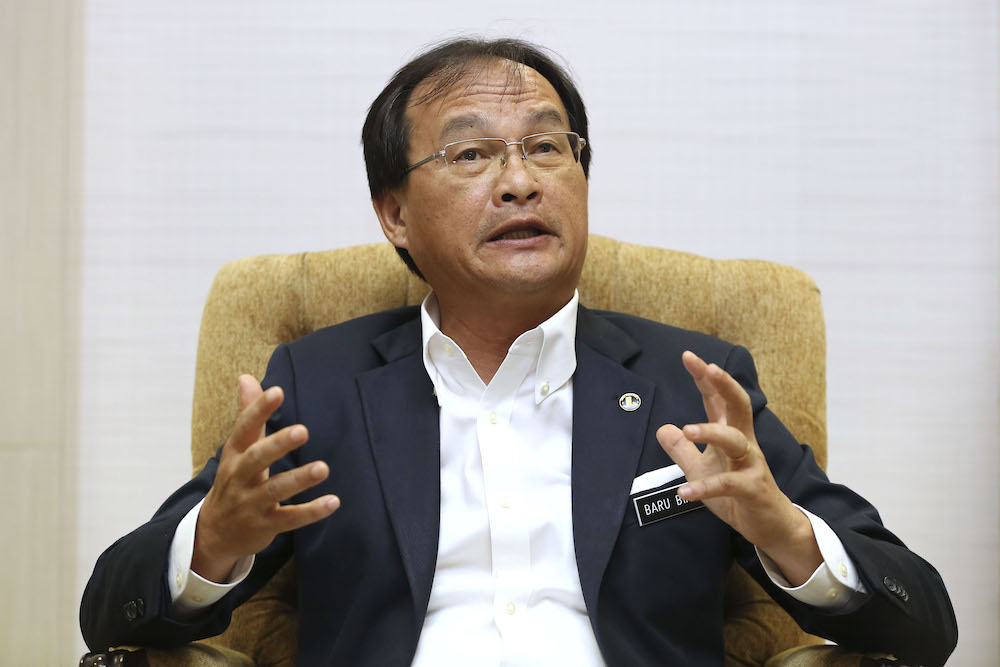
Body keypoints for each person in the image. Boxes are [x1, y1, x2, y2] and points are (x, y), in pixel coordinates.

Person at [81, 38, 957, 666]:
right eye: (472, 153)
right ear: (393, 212)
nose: (521, 179)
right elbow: (107, 611)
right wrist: (212, 542)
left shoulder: (691, 381)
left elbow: (924, 621)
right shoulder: (319, 382)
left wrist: (785, 531)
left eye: (547, 146)